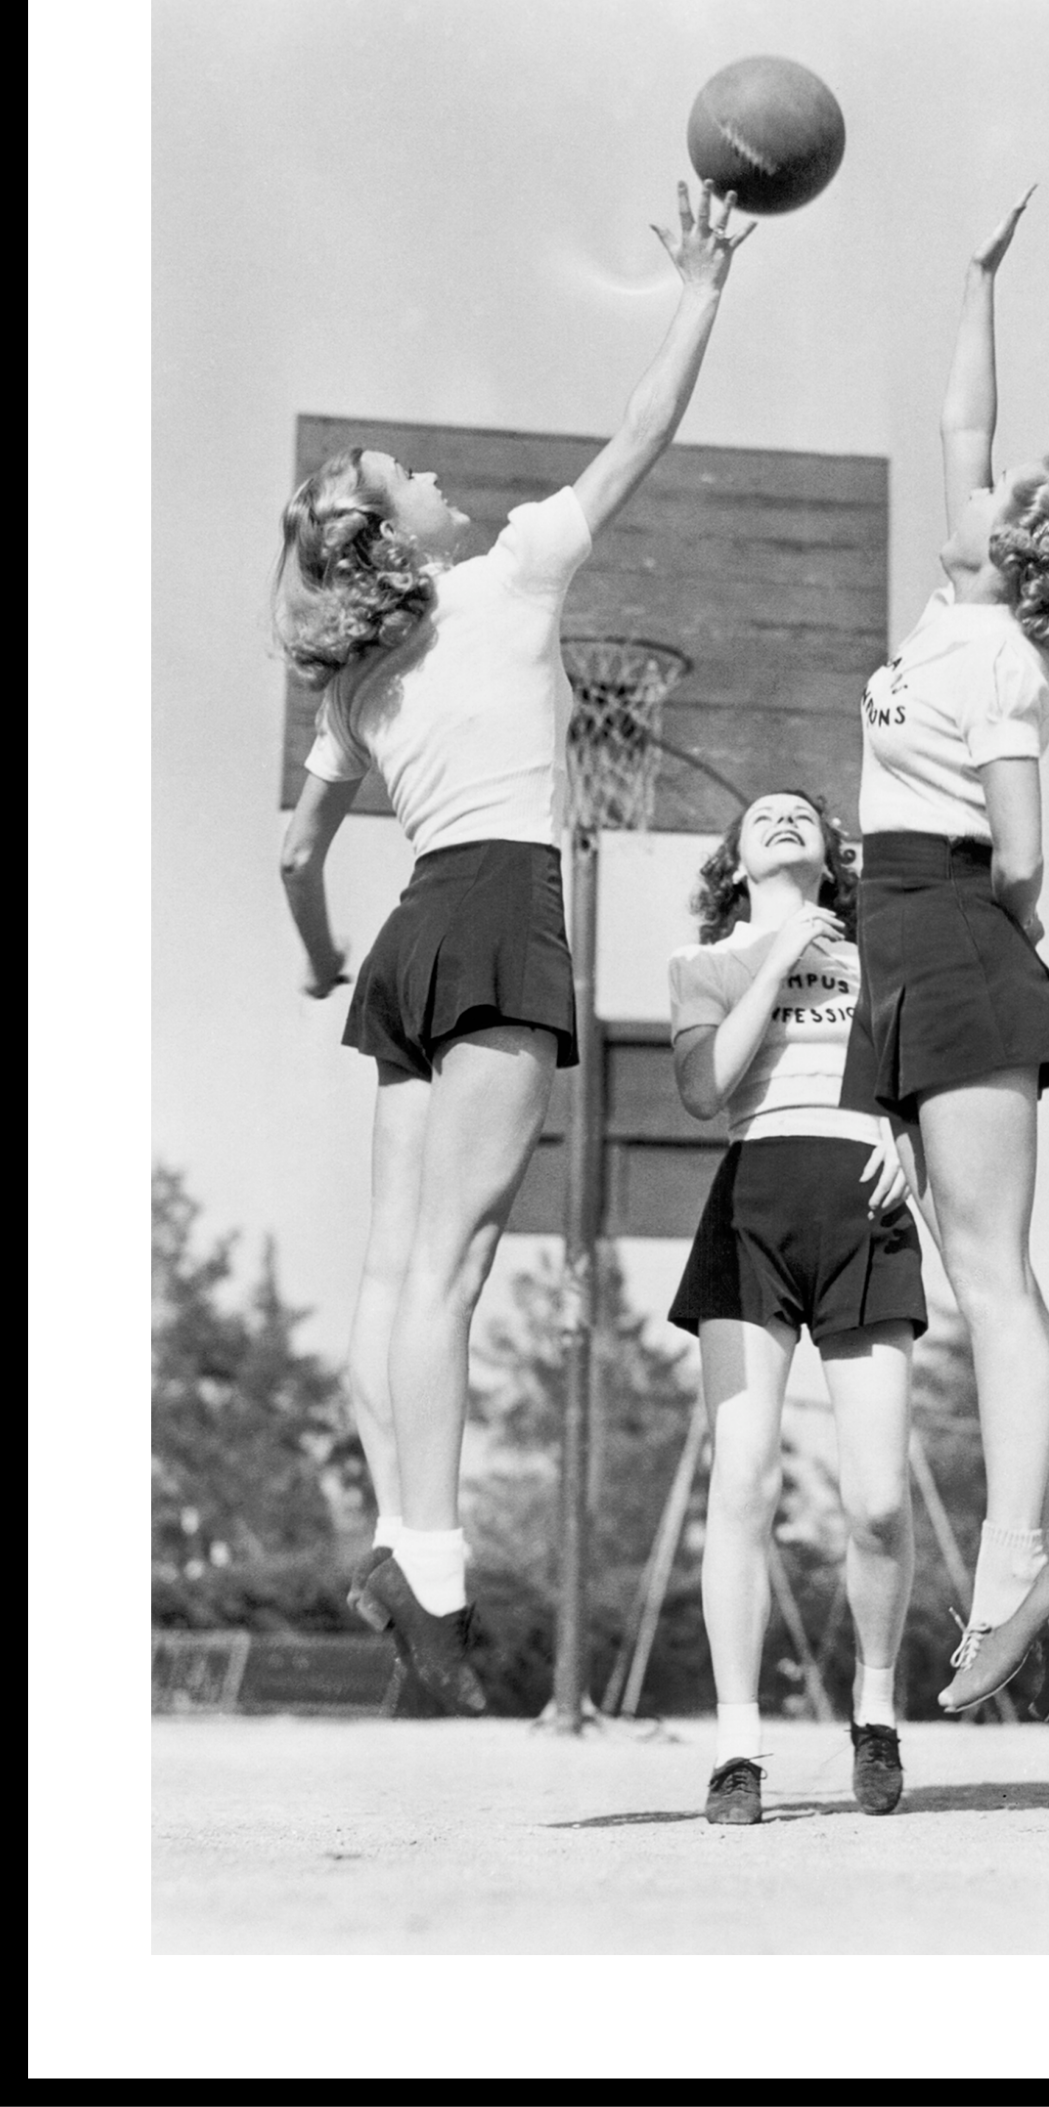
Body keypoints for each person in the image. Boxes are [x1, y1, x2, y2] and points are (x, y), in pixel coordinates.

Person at [274, 183, 753, 1713]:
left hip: (411, 931)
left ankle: (403, 1535)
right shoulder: (518, 574)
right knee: (457, 1269)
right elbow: (645, 427)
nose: (426, 470)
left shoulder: (353, 693)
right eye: (397, 474)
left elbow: (294, 851)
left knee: (395, 1273)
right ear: (389, 538)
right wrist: (700, 288)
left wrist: (315, 954)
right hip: (494, 912)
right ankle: (430, 1561)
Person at [840, 188, 1049, 1721]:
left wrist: (987, 951)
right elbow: (964, 416)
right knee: (983, 1274)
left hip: (954, 938)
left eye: (1005, 493)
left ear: (1019, 553)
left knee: (989, 1280)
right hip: (908, 946)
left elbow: (1023, 856)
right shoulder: (952, 603)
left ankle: (1024, 1557)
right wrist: (972, 272)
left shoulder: (1006, 661)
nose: (979, 482)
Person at [667, 790, 929, 1824]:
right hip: (755, 1205)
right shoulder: (707, 964)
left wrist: (908, 1134)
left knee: (876, 1501)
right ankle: (738, 1751)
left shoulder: (883, 957)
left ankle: (875, 1711)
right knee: (742, 1482)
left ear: (834, 852)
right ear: (735, 857)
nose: (780, 820)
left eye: (800, 814)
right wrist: (774, 959)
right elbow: (702, 1088)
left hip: (862, 1208)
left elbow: (920, 1089)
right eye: (760, 816)